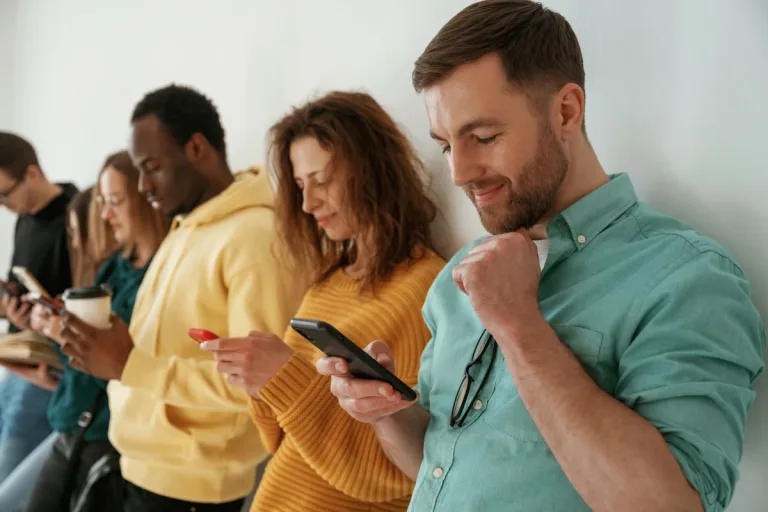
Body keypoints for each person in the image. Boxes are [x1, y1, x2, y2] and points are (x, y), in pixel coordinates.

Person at [322, 2, 767, 512]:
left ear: (566, 111)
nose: (460, 174)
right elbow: (447, 467)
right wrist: (386, 414)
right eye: (446, 145)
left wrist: (519, 325)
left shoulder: (689, 280)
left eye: (484, 137)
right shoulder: (457, 278)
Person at [57, 84, 305, 512]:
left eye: (151, 166)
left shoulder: (254, 237)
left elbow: (258, 387)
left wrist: (128, 364)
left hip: (191, 486)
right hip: (139, 464)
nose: (144, 185)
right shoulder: (186, 225)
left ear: (196, 147)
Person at [201, 91, 446, 511]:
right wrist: (259, 382)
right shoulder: (328, 283)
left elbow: (395, 474)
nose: (307, 204)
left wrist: (285, 380)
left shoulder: (422, 289)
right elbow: (279, 437)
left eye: (322, 181)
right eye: (299, 185)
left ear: (371, 170)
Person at [0, 150, 168, 512]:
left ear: (144, 200)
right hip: (74, 421)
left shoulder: (159, 276)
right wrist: (57, 333)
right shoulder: (115, 268)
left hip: (101, 429)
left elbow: (118, 364)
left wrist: (62, 335)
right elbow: (85, 357)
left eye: (114, 202)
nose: (105, 216)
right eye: (103, 203)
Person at [0, 132, 78, 482]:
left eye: (4, 193)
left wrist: (36, 319)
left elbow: (83, 299)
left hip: (50, 364)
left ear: (32, 173)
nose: (3, 205)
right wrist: (9, 307)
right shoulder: (24, 219)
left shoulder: (77, 215)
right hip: (20, 357)